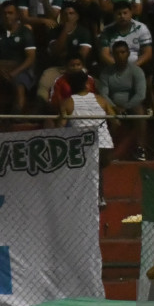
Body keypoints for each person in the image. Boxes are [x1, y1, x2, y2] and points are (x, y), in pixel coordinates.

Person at [59, 70, 117, 206]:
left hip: (83, 147)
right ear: (87, 84)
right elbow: (116, 121)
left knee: (89, 165)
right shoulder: (101, 100)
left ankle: (91, 197)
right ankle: (99, 197)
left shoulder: (66, 103)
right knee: (96, 167)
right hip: (106, 147)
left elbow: (60, 128)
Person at [0, 0, 36, 115]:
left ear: (17, 14)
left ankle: (17, 113)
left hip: (19, 68)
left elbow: (30, 58)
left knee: (20, 83)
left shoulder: (25, 32)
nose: (7, 16)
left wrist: (14, 72)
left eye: (10, 13)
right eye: (4, 13)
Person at [98, 41, 148, 160]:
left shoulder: (136, 71)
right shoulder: (106, 73)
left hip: (131, 105)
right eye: (116, 53)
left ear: (128, 53)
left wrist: (126, 106)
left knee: (140, 111)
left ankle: (140, 149)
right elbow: (103, 94)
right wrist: (114, 107)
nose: (120, 55)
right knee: (106, 114)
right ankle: (108, 152)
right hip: (112, 106)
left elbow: (141, 94)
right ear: (113, 55)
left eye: (123, 52)